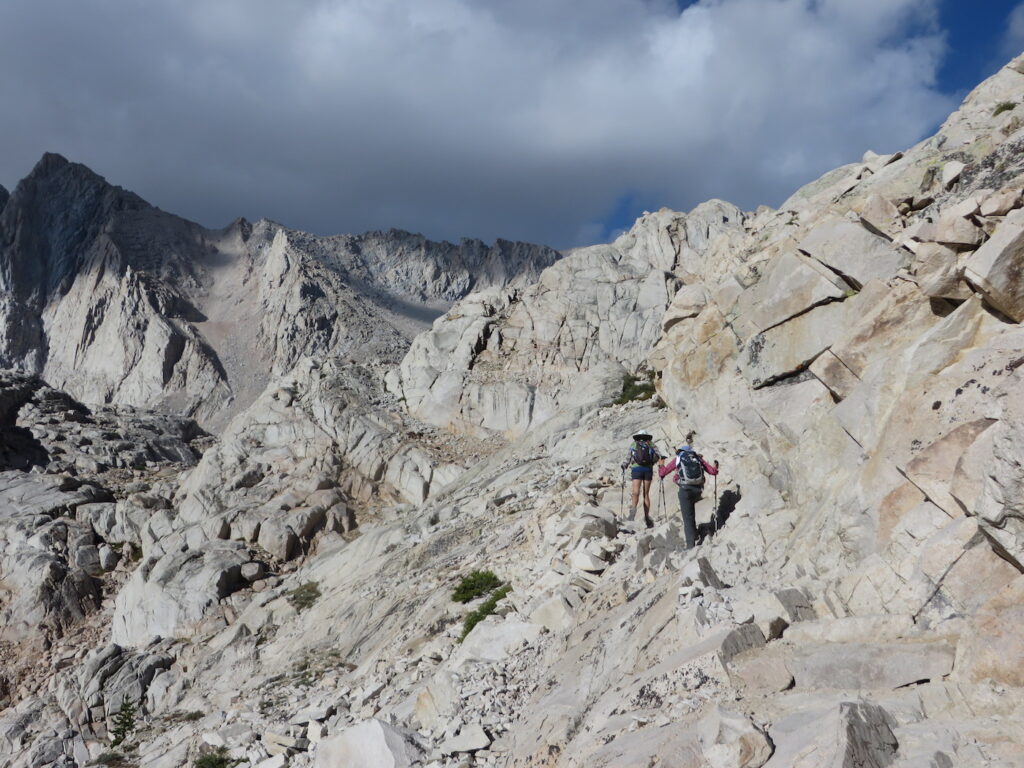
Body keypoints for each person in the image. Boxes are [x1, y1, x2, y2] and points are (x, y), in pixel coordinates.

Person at [659, 438, 719, 549]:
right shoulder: (697, 458)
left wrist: (661, 465)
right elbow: (713, 472)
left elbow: (662, 473)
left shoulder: (678, 458)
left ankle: (690, 545)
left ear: (681, 451)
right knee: (692, 512)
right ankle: (695, 533)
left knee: (688, 517)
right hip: (698, 490)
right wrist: (716, 467)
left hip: (685, 490)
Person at [621, 431, 664, 528]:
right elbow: (658, 455)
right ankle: (647, 517)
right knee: (646, 494)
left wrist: (624, 465)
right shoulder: (650, 443)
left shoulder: (634, 444)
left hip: (636, 469)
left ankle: (632, 515)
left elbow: (628, 457)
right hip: (648, 469)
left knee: (635, 492)